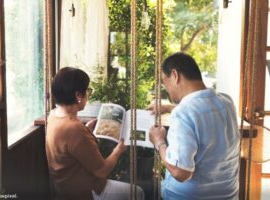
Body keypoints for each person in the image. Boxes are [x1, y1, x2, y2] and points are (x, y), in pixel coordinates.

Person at [149, 52, 240, 200]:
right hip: (228, 194)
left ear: (174, 75)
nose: (165, 87)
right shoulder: (226, 102)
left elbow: (180, 173)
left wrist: (159, 141)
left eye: (163, 81)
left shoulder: (183, 113)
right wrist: (170, 107)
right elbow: (202, 113)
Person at [46, 67, 144, 200]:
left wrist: (86, 128)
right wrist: (118, 150)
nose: (88, 94)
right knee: (138, 193)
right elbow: (102, 171)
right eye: (87, 90)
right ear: (78, 96)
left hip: (65, 186)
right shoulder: (74, 129)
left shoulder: (54, 115)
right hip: (86, 191)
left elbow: (69, 144)